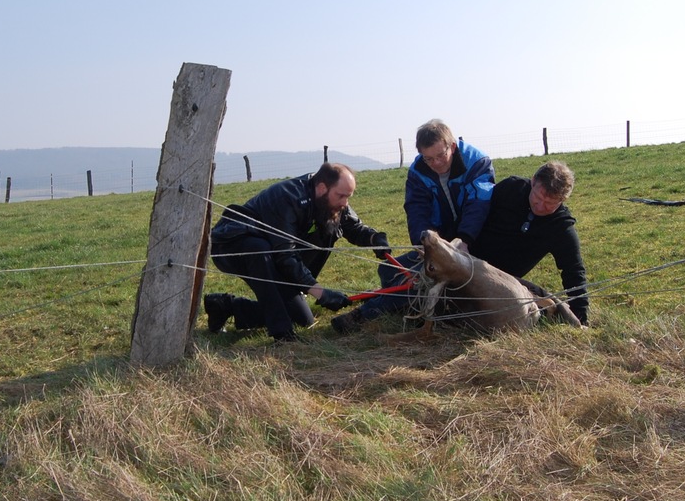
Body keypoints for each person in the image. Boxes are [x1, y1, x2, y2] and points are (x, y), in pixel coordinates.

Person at [333, 119, 495, 332]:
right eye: (428, 159)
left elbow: (479, 203)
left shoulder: (477, 162)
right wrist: (423, 242)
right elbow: (416, 208)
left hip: (475, 240)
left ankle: (363, 314)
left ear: (452, 147)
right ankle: (397, 300)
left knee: (421, 279)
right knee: (388, 270)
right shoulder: (418, 170)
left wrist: (464, 240)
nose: (435, 164)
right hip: (440, 241)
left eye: (440, 156)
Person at [203, 162, 391, 341]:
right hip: (233, 245)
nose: (345, 202)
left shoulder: (332, 202)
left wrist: (375, 239)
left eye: (348, 196)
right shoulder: (287, 198)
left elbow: (354, 228)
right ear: (322, 188)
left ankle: (225, 306)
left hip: (273, 253)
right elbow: (285, 254)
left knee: (302, 318)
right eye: (341, 196)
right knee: (258, 250)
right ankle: (281, 333)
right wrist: (320, 293)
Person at [471, 160, 590, 326]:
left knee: (549, 302)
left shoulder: (561, 228)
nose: (540, 206)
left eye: (550, 204)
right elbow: (473, 215)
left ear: (563, 200)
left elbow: (573, 270)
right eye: (538, 197)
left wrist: (581, 316)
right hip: (468, 263)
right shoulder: (510, 189)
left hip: (504, 282)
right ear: (533, 181)